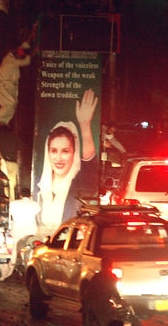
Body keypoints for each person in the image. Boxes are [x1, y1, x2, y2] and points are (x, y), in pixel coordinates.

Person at [36, 89, 98, 235]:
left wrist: (84, 126)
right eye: (54, 151)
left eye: (65, 151)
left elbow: (90, 167)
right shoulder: (40, 188)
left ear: (74, 153)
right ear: (48, 153)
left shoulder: (80, 186)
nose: (58, 158)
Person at [0, 41, 34, 126]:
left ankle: (3, 124)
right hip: (1, 86)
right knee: (10, 104)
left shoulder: (14, 59)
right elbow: (26, 62)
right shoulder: (10, 58)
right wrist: (34, 52)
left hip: (9, 87)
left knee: (12, 108)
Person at [81, 257, 123, 326]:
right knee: (105, 321)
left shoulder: (97, 276)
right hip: (101, 304)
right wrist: (120, 300)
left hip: (90, 303)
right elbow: (113, 290)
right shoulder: (111, 276)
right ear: (110, 265)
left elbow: (89, 290)